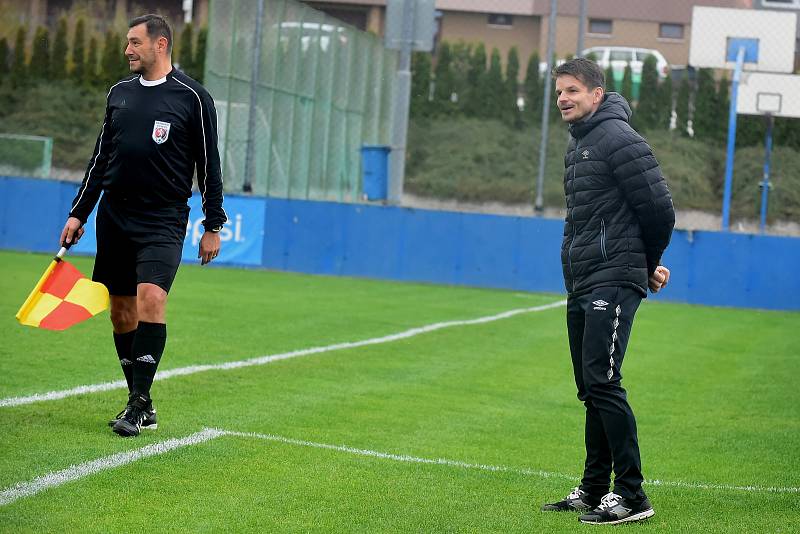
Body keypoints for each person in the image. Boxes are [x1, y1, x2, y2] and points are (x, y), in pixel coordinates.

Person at [59, 14, 226, 437]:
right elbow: (100, 160)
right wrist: (80, 213)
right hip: (114, 215)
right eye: (127, 43)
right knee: (120, 312)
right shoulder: (119, 94)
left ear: (160, 44)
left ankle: (136, 406)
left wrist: (213, 224)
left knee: (151, 297)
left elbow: (209, 166)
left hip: (163, 218)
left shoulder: (193, 97)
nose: (127, 50)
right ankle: (143, 402)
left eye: (135, 42)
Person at [540, 58, 675, 524]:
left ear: (597, 94)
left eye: (572, 90)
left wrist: (645, 265)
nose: (563, 98)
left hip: (611, 279)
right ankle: (595, 488)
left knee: (604, 383)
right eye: (559, 91)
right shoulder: (579, 147)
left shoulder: (619, 139)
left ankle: (633, 496)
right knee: (590, 389)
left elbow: (660, 210)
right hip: (582, 281)